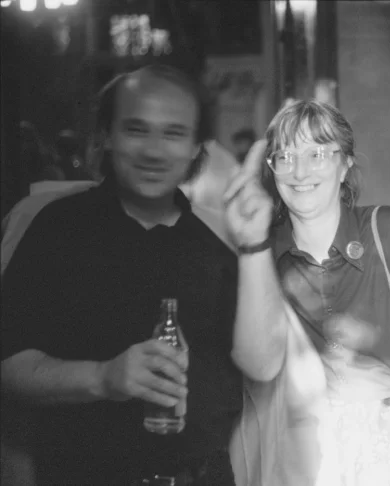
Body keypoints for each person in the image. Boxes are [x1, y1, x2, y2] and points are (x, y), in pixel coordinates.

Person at [1, 64, 243, 485]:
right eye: (136, 129)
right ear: (107, 136)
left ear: (194, 146)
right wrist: (103, 378)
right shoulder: (56, 228)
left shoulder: (222, 242)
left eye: (173, 133)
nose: (154, 151)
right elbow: (10, 367)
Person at [224, 99, 390, 485]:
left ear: (346, 164)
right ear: (271, 171)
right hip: (300, 458)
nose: (300, 170)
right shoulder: (261, 255)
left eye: (317, 153)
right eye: (285, 156)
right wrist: (250, 249)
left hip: (388, 455)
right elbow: (256, 364)